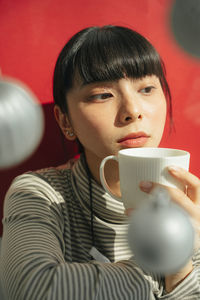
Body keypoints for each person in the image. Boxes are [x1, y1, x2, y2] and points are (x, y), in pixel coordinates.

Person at [0, 25, 200, 300]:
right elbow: (32, 288)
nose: (132, 111)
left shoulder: (192, 205)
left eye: (147, 88)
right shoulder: (39, 193)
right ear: (65, 121)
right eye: (103, 95)